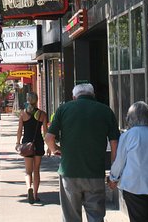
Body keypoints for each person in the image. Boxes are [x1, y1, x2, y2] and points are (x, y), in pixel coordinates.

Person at [45, 83, 120, 222]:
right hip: (95, 173)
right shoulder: (105, 111)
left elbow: (49, 138)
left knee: (71, 217)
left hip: (69, 172)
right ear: (93, 95)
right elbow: (114, 143)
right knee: (96, 217)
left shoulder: (63, 109)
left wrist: (56, 149)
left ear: (74, 97)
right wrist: (113, 172)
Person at [107, 101, 148, 222]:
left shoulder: (128, 135)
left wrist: (113, 179)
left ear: (130, 119)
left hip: (134, 185)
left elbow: (120, 161)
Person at [15, 92, 49, 204]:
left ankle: (28, 187)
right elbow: (45, 132)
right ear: (37, 100)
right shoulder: (42, 114)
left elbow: (20, 130)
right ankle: (35, 195)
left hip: (27, 144)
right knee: (36, 170)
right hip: (38, 143)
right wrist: (49, 146)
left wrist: (17, 142)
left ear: (28, 100)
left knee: (28, 171)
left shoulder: (23, 114)